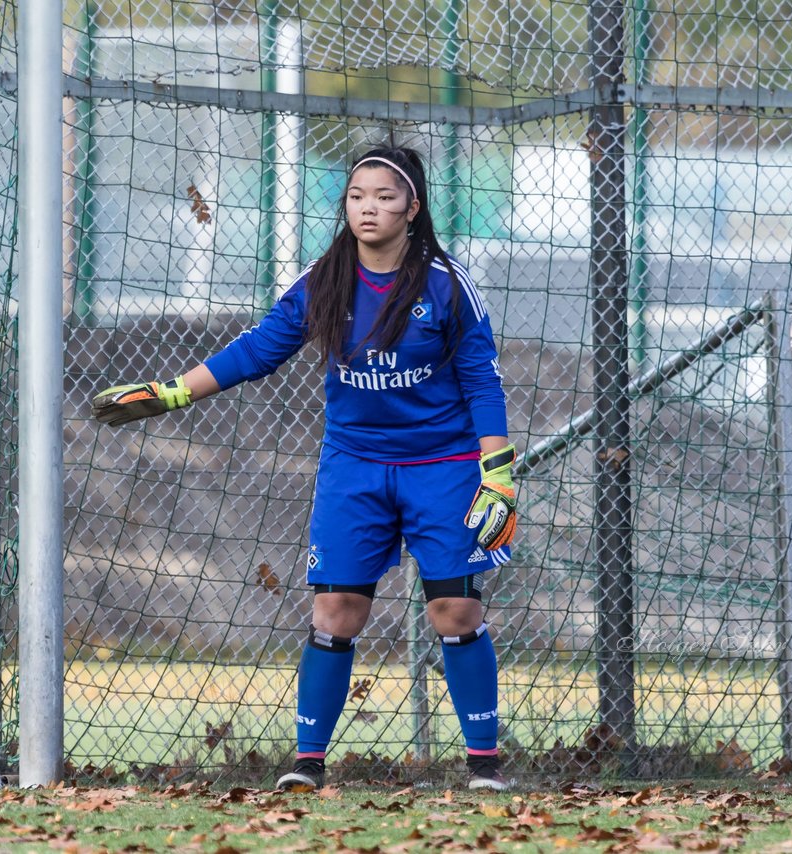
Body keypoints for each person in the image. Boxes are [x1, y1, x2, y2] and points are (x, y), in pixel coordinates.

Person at [91, 146, 517, 792]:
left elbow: (483, 382)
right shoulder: (326, 279)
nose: (368, 207)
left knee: (453, 612)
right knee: (337, 611)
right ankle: (308, 765)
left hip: (444, 466)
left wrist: (499, 474)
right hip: (355, 467)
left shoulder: (446, 285)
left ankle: (483, 765)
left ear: (413, 208)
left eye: (384, 196)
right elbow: (259, 349)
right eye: (356, 196)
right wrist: (172, 392)